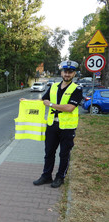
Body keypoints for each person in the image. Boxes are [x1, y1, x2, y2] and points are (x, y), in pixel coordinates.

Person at [33, 60, 83, 188]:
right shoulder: (53, 86)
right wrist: (26, 101)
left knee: (64, 154)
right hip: (52, 125)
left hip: (67, 127)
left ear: (74, 74)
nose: (67, 74)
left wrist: (51, 104)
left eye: (70, 72)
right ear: (61, 72)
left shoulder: (76, 89)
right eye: (65, 72)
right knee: (49, 152)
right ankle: (46, 176)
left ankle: (60, 177)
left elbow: (70, 107)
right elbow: (43, 100)